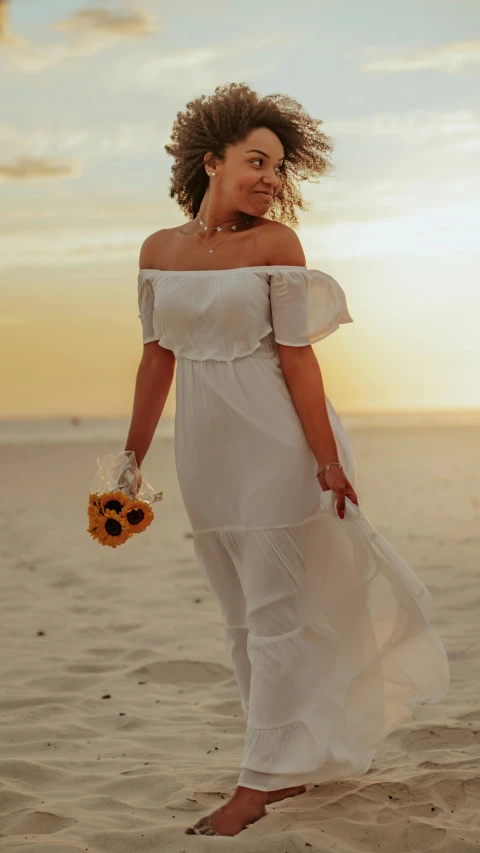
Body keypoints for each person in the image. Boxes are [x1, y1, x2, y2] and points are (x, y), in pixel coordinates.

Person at [125, 82, 450, 837]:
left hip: (276, 440)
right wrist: (130, 459)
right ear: (211, 160)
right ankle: (286, 759)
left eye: (279, 168)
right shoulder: (155, 252)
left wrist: (328, 458)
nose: (272, 180)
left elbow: (299, 360)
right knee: (242, 620)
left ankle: (257, 784)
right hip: (203, 450)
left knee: (275, 616)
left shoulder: (276, 246)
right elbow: (154, 363)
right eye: (258, 161)